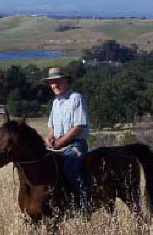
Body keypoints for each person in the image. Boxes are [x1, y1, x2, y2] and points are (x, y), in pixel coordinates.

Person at [43, 67, 91, 213]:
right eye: (52, 82)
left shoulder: (76, 98)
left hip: (76, 146)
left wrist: (59, 142)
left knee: (70, 169)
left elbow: (78, 126)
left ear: (67, 82)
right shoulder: (55, 103)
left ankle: (85, 204)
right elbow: (51, 127)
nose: (54, 85)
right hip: (58, 146)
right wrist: (50, 139)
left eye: (58, 81)